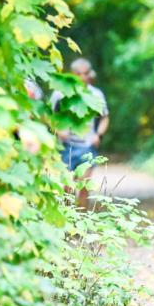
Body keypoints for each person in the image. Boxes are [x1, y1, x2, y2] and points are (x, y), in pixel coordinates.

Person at [51, 58, 109, 209]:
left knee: (84, 186)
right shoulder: (59, 93)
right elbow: (48, 116)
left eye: (85, 74)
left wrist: (99, 135)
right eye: (79, 74)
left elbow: (105, 117)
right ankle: (68, 223)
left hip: (87, 145)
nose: (83, 77)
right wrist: (58, 130)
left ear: (90, 74)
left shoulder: (96, 94)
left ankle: (81, 226)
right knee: (67, 188)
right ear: (72, 74)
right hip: (65, 146)